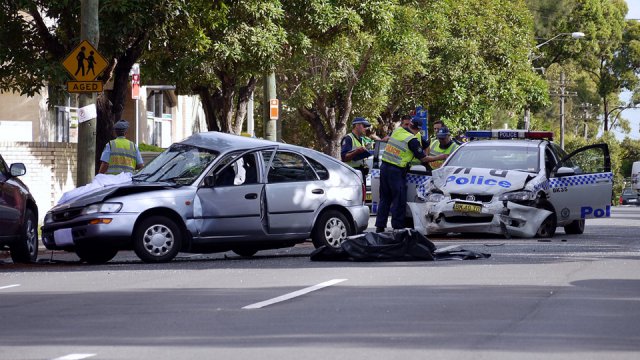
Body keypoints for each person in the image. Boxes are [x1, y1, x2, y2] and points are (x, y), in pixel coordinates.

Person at [374, 116, 447, 233]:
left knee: (385, 198)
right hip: (396, 171)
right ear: (418, 129)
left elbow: (386, 139)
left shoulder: (398, 130)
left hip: (384, 167)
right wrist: (442, 157)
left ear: (409, 125)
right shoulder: (412, 140)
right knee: (399, 199)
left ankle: (380, 226)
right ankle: (398, 227)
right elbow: (424, 159)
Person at [341, 117, 372, 182]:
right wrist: (356, 152)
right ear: (357, 125)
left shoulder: (361, 139)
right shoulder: (348, 138)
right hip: (351, 173)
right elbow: (344, 158)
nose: (366, 128)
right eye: (364, 126)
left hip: (361, 172)